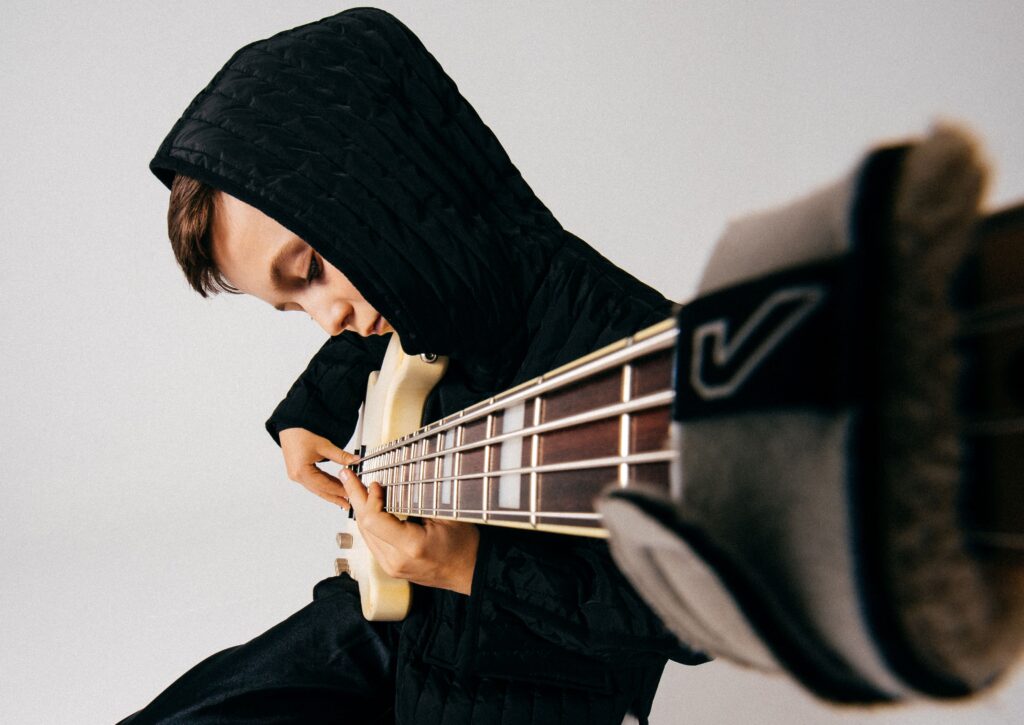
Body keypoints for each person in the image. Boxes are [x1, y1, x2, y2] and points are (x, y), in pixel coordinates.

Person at [122, 8, 706, 724]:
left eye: (310, 269)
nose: (326, 317)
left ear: (384, 192)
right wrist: (307, 413)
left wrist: (472, 568)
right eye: (292, 306)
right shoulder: (424, 296)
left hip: (531, 681)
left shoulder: (635, 346)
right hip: (389, 624)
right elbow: (374, 338)